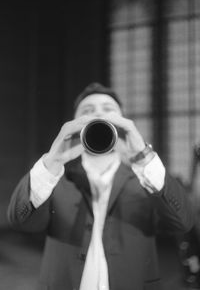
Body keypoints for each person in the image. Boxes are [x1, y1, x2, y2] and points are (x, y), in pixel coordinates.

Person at [7, 82, 194, 290]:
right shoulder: (55, 177)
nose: (98, 115)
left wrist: (143, 157)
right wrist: (52, 161)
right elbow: (20, 220)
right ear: (76, 125)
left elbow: (183, 221)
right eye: (88, 111)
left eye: (108, 110)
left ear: (122, 124)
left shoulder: (145, 178)